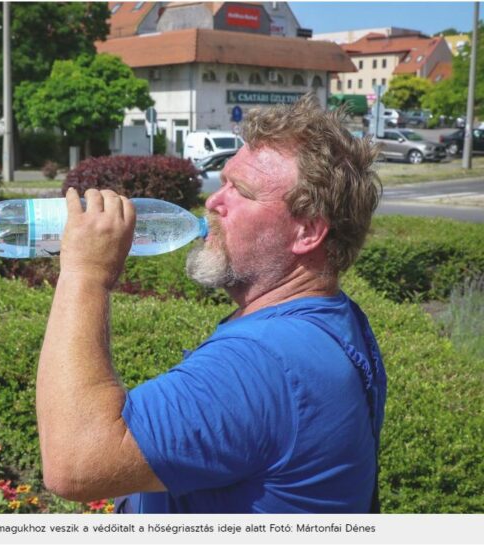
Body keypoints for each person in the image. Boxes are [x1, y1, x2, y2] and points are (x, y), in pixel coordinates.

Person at [36, 94, 387, 513]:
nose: (214, 203)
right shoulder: (333, 318)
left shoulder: (264, 363)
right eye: (223, 181)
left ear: (308, 232)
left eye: (241, 191)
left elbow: (75, 462)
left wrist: (85, 273)